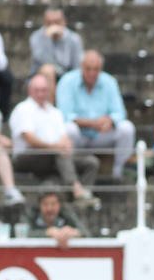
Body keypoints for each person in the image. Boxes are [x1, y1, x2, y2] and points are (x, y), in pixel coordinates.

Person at [10, 73, 99, 204]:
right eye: (37, 90)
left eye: (43, 90)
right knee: (58, 152)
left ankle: (82, 198)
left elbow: (64, 137)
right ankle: (75, 188)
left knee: (91, 162)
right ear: (29, 90)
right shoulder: (23, 109)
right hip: (27, 157)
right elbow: (30, 138)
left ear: (49, 91)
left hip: (54, 158)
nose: (40, 94)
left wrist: (65, 145)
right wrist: (56, 147)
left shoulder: (55, 112)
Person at [56, 50, 137, 182]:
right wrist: (93, 123)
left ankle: (119, 174)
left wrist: (110, 120)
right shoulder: (67, 81)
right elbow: (64, 115)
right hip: (79, 135)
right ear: (81, 67)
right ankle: (70, 176)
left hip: (101, 134)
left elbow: (120, 112)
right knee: (69, 129)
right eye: (88, 69)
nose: (92, 73)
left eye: (96, 69)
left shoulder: (109, 81)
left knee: (126, 128)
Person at [29, 7, 84, 80]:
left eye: (56, 22)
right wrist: (47, 39)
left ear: (64, 22)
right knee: (48, 70)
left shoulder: (74, 39)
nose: (53, 26)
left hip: (66, 76)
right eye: (49, 23)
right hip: (42, 78)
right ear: (44, 23)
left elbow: (76, 66)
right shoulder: (36, 37)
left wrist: (61, 39)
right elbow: (41, 61)